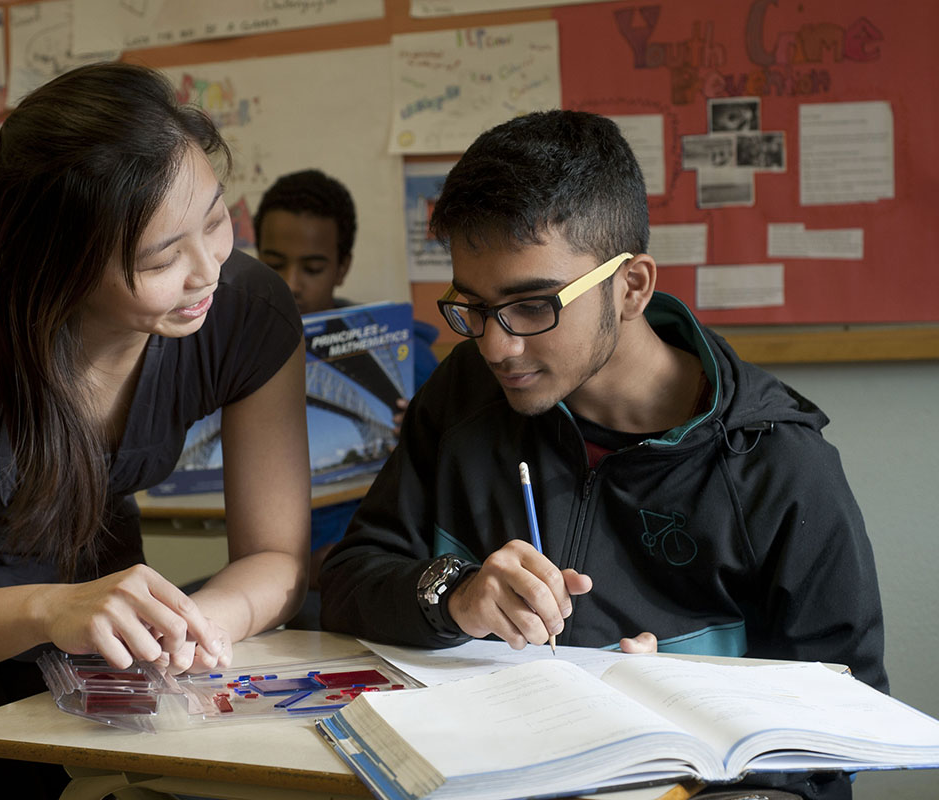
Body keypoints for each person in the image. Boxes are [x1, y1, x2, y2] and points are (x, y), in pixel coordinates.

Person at [319, 110, 886, 800]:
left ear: (633, 287)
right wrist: (453, 595)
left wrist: (694, 751)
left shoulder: (777, 465)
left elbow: (840, 724)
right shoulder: (464, 398)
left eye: (532, 306)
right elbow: (348, 582)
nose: (497, 346)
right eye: (472, 306)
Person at [0, 63, 310, 799]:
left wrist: (195, 626)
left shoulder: (250, 315)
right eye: (163, 257)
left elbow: (276, 556)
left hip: (83, 564)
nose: (208, 270)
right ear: (59, 264)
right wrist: (47, 607)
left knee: (141, 783)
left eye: (216, 219)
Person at [252, 169, 439, 627]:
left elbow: (454, 483)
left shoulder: (405, 357)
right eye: (274, 263)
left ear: (343, 266)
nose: (291, 283)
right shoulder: (237, 349)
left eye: (312, 268)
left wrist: (421, 440)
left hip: (363, 573)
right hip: (262, 568)